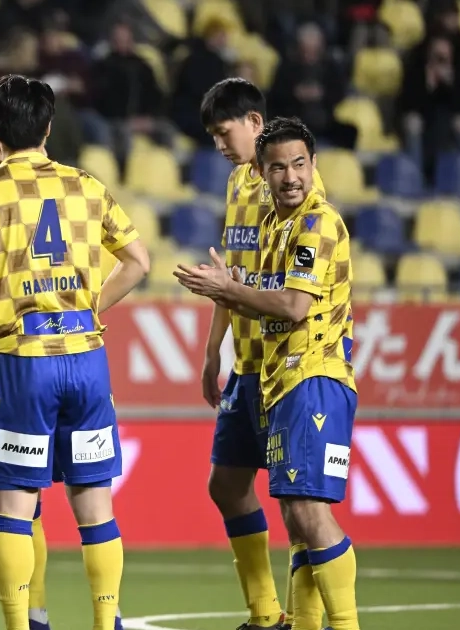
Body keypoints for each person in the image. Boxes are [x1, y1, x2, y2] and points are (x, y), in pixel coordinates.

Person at [0, 74, 150, 630]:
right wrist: (91, 308)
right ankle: (107, 622)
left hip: (23, 360)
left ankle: (20, 624)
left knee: (15, 506)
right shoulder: (86, 186)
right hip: (85, 358)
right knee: (95, 506)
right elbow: (139, 262)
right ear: (48, 129)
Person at [176, 116, 359, 630]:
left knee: (309, 513)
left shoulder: (315, 223)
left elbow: (295, 306)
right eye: (278, 168)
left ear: (314, 165)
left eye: (299, 164)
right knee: (298, 514)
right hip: (283, 380)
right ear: (262, 172)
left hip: (315, 376)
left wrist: (228, 290)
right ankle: (298, 622)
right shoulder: (274, 228)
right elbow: (267, 303)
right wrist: (227, 292)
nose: (291, 177)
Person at [198, 78, 326, 630]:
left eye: (224, 132)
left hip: (287, 361)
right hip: (246, 361)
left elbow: (299, 282)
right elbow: (232, 275)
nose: (219, 144)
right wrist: (213, 351)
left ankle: (306, 618)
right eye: (212, 136)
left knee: (296, 503)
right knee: (226, 484)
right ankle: (266, 616)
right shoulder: (236, 183)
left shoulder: (296, 186)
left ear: (254, 122)